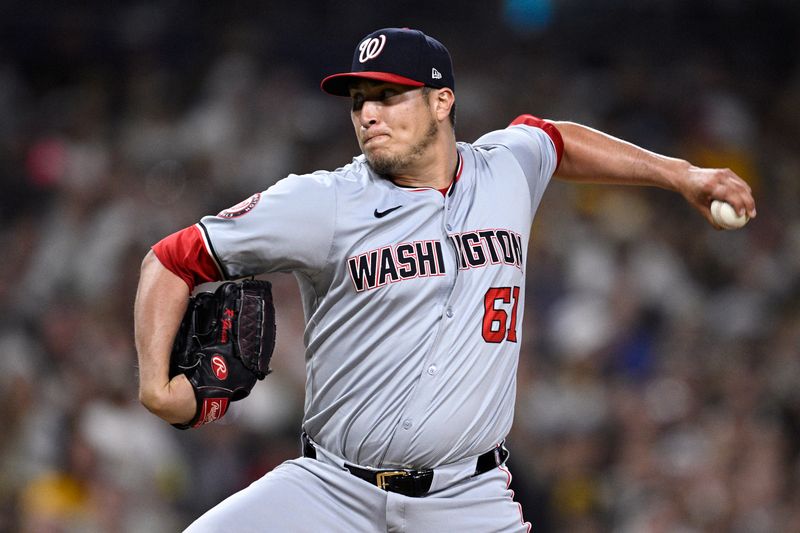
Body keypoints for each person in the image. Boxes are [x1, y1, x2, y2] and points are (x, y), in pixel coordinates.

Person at [134, 28, 756, 532]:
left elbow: (557, 141)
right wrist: (157, 386)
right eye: (359, 101)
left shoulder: (505, 169)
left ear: (441, 101)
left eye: (388, 96)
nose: (369, 114)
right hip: (330, 491)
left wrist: (683, 176)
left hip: (467, 500)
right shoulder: (321, 203)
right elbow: (169, 260)